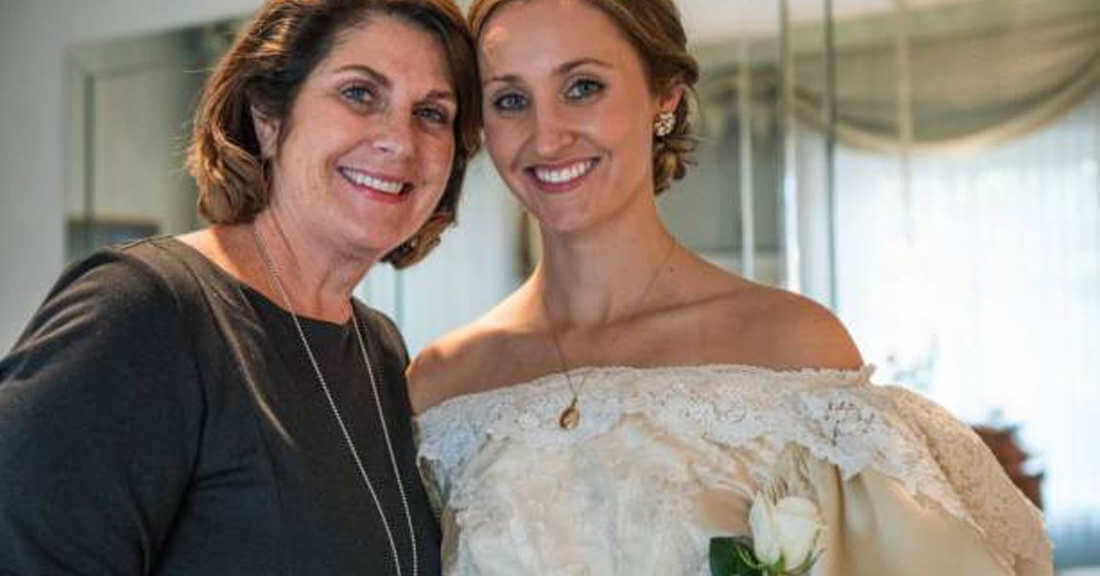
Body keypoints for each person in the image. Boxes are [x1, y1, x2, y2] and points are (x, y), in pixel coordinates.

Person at [408, 0, 1053, 574]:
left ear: (664, 97)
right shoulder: (442, 385)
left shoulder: (791, 345)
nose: (546, 137)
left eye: (582, 87)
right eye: (510, 99)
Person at [0, 0, 479, 573]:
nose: (399, 141)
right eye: (359, 93)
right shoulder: (140, 311)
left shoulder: (379, 350)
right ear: (267, 116)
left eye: (431, 113)